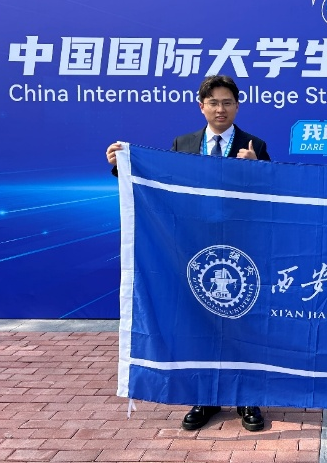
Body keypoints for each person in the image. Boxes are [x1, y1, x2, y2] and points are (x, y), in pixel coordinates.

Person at [106, 74, 270, 432]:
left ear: (237, 106)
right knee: (200, 322)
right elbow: (159, 183)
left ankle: (247, 397)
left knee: (242, 322)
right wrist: (123, 166)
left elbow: (274, 197)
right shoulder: (184, 143)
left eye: (227, 102)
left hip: (241, 249)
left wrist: (257, 170)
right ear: (202, 106)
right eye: (213, 103)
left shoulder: (254, 144)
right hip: (195, 249)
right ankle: (205, 396)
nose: (220, 109)